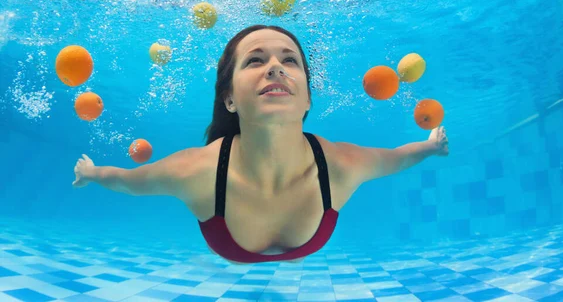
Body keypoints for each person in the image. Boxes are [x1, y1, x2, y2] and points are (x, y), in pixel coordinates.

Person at [72, 25, 449, 264]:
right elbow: (128, 180)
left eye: (290, 60)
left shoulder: (337, 166)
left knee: (293, 257)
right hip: (235, 249)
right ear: (229, 98)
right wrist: (90, 172)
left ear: (306, 100)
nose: (275, 67)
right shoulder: (198, 172)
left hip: (295, 245)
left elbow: (395, 158)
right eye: (255, 60)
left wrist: (430, 145)